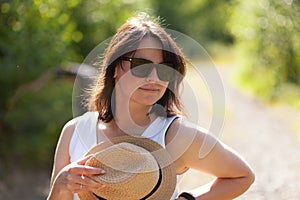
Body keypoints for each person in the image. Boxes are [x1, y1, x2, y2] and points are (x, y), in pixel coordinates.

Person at [47, 13, 254, 200]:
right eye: (141, 65)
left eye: (165, 69)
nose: (154, 78)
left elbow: (242, 176)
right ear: (115, 68)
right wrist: (60, 186)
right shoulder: (74, 131)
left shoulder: (174, 135)